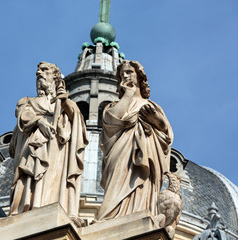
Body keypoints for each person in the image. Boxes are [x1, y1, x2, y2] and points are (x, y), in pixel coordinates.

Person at [9, 62, 88, 222]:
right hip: (34, 147)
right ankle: (31, 205)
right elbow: (23, 115)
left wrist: (64, 102)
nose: (39, 73)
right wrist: (39, 121)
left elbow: (76, 120)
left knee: (54, 179)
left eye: (44, 70)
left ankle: (52, 204)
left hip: (58, 151)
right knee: (33, 177)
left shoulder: (66, 103)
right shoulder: (27, 101)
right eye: (38, 70)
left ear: (55, 77)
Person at [96, 60, 173, 221]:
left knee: (142, 185)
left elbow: (166, 135)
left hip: (147, 150)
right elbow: (112, 121)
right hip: (121, 151)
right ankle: (112, 216)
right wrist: (128, 95)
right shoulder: (115, 105)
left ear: (139, 77)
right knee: (118, 182)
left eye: (129, 72)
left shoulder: (150, 105)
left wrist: (156, 120)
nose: (125, 76)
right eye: (121, 74)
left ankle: (139, 213)